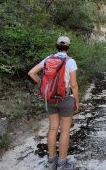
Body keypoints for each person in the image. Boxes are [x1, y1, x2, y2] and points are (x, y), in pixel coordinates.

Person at [28, 36, 79, 170]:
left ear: (56, 46)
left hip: (49, 99)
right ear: (68, 47)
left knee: (52, 129)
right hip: (66, 99)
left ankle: (51, 163)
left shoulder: (48, 59)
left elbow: (32, 73)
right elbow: (73, 85)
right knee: (65, 131)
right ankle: (62, 164)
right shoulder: (70, 61)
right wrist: (77, 102)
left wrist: (44, 86)